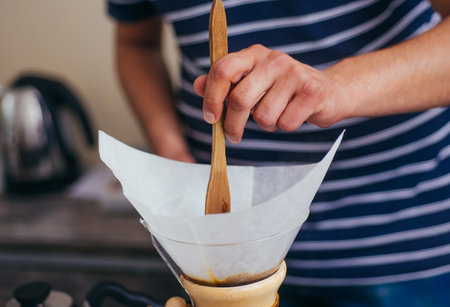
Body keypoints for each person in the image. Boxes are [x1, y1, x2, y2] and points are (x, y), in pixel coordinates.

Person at [106, 0, 450, 306]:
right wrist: (172, 152)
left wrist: (337, 86)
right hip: (224, 257)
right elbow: (137, 43)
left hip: (401, 247)